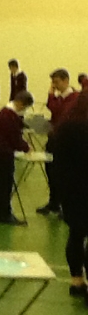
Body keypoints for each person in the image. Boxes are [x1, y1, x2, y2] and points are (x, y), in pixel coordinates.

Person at [54, 91, 88, 303]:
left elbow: (57, 161)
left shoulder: (64, 128)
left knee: (76, 234)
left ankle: (76, 280)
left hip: (70, 192)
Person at [38, 69, 79, 216]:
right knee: (51, 171)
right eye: (52, 83)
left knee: (64, 175)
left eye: (56, 82)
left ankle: (66, 206)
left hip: (66, 142)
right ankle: (54, 202)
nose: (54, 86)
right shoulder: (60, 97)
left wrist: (50, 95)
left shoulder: (73, 97)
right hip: (54, 138)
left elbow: (58, 111)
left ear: (66, 81)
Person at [0, 90, 34, 225]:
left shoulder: (5, 112)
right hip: (3, 153)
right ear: (20, 103)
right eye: (25, 107)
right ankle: (4, 213)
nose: (24, 110)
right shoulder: (9, 115)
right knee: (4, 185)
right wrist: (26, 147)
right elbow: (14, 138)